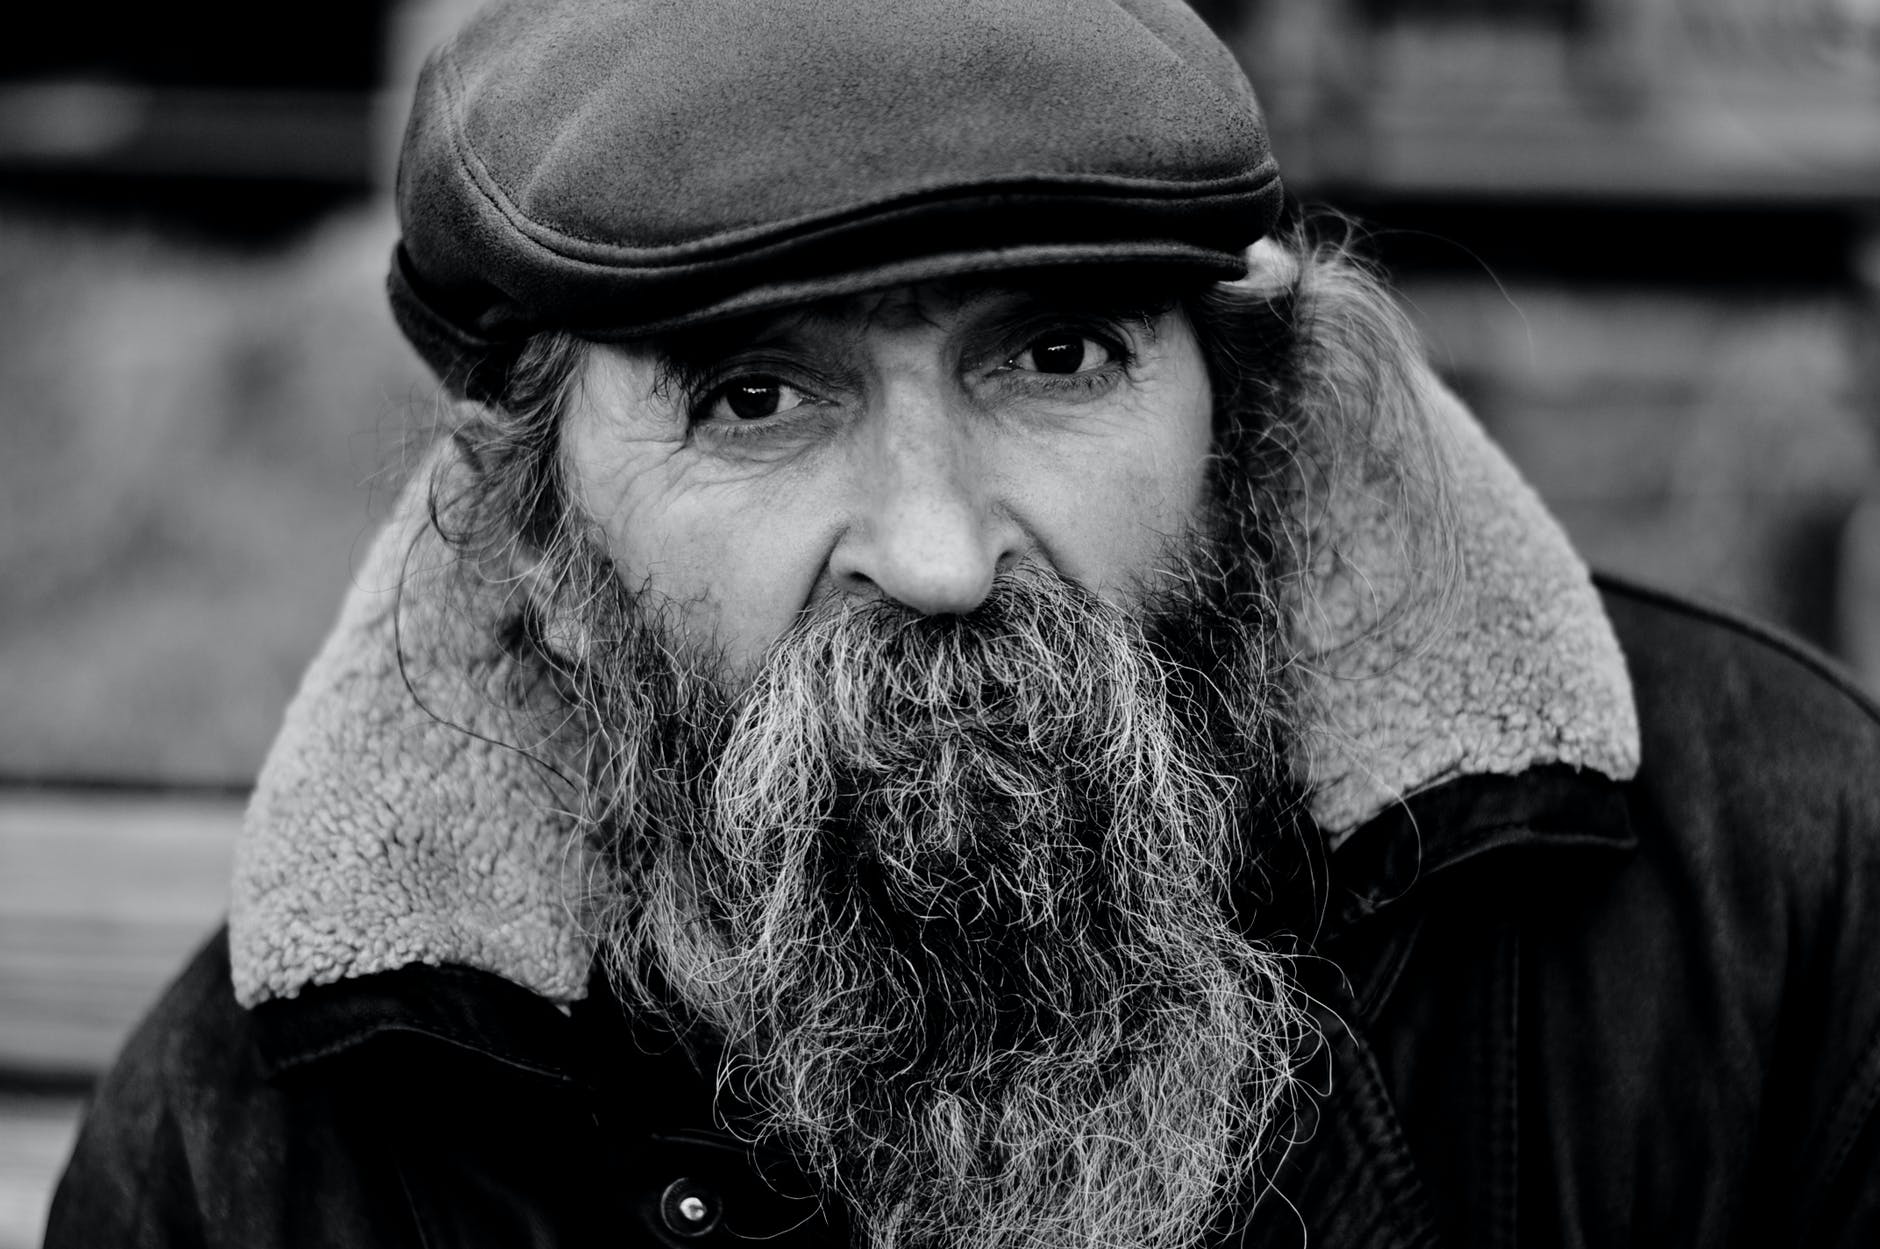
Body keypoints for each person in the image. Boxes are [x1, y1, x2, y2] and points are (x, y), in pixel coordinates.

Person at [45, 1, 1880, 1246]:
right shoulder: (257, 1154)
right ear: (534, 541)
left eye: (1057, 354)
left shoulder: (1775, 897)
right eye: (755, 398)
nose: (935, 552)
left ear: (1245, 411)